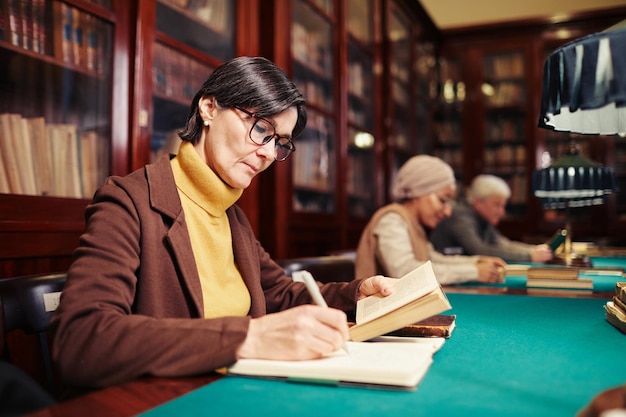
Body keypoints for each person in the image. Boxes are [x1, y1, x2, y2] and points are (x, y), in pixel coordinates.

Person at [51, 56, 395, 389]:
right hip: (166, 399)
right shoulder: (129, 201)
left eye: (279, 143)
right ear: (209, 108)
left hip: (235, 388)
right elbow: (82, 338)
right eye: (261, 128)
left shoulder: (230, 214)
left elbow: (280, 293)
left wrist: (356, 293)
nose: (267, 153)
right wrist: (250, 336)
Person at [355, 155, 506, 284]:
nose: (447, 212)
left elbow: (433, 259)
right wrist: (473, 272)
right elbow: (404, 272)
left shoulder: (413, 225)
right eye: (443, 200)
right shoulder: (391, 221)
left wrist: (477, 262)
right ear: (419, 191)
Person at [430, 174, 553, 263]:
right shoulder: (460, 215)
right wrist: (529, 256)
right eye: (497, 205)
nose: (502, 212)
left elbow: (502, 244)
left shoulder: (482, 217)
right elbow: (480, 251)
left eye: (503, 206)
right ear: (478, 203)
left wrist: (533, 250)